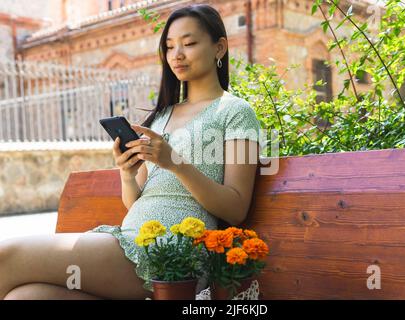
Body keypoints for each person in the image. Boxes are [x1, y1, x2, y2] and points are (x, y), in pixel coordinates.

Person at [0, 4, 260, 300]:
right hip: (131, 240)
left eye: (189, 44)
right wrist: (128, 173)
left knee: (6, 255)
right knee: (26, 297)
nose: (177, 54)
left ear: (219, 48)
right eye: (169, 46)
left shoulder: (236, 112)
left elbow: (236, 208)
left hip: (173, 255)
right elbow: (134, 201)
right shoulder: (163, 116)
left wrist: (175, 163)